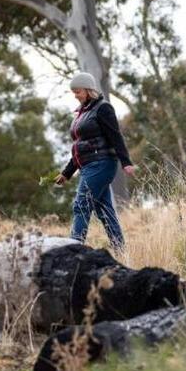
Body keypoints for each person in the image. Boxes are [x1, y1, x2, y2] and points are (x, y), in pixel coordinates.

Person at [54, 72, 135, 250]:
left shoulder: (103, 108)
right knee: (104, 209)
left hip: (102, 163)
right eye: (74, 92)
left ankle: (74, 249)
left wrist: (126, 162)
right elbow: (79, 147)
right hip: (87, 166)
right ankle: (120, 250)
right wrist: (67, 173)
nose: (75, 95)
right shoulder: (82, 112)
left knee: (81, 204)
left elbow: (116, 136)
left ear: (89, 90)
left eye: (78, 91)